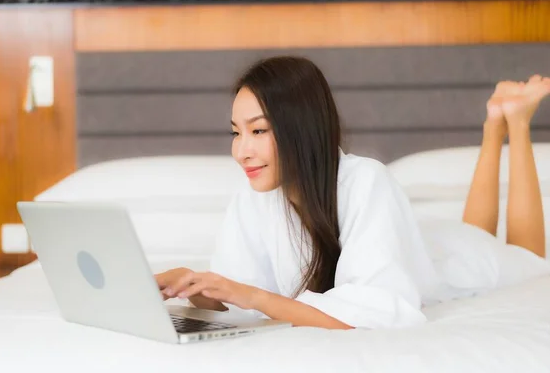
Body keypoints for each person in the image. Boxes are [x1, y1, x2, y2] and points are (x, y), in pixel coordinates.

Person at [155, 56, 550, 330]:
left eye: (258, 130)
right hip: (418, 247)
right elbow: (238, 294)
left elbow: (381, 311)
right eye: (236, 132)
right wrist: (194, 286)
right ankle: (494, 124)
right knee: (473, 234)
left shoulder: (365, 181)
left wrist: (254, 297)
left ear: (301, 127)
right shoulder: (254, 195)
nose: (241, 150)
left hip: (451, 262)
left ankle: (511, 123)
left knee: (524, 258)